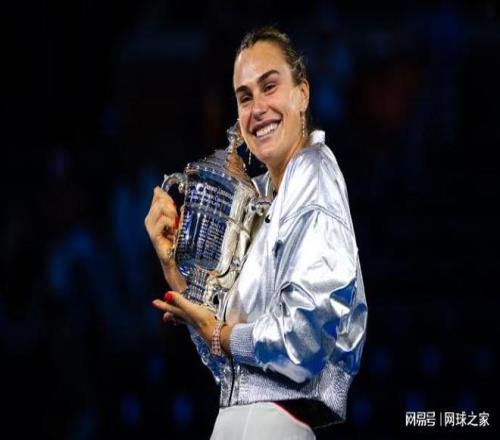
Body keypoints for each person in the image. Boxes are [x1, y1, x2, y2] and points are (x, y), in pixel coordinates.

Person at [145, 26, 368, 439]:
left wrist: (220, 334)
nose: (257, 108)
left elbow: (303, 337)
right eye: (245, 97)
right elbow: (227, 365)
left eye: (270, 86)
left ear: (302, 94)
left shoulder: (314, 171)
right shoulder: (260, 197)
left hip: (276, 423)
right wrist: (172, 266)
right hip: (242, 420)